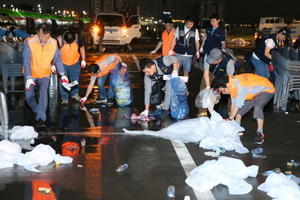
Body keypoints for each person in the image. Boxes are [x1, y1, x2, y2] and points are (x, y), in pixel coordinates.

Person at [23, 23, 68, 128]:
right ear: (38, 32)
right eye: (42, 36)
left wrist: (63, 75)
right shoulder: (29, 41)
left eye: (46, 36)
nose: (43, 39)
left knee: (43, 93)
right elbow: (26, 60)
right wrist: (29, 77)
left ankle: (41, 118)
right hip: (31, 73)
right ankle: (38, 110)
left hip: (44, 73)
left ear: (50, 34)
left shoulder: (53, 43)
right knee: (28, 97)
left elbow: (57, 60)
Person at [211, 74, 275, 144]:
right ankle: (237, 128)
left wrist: (230, 119)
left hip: (266, 89)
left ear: (226, 85)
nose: (223, 93)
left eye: (223, 91)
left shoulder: (239, 87)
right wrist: (232, 121)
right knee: (239, 110)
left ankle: (260, 133)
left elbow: (237, 105)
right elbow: (234, 104)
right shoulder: (231, 85)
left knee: (258, 107)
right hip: (253, 91)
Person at [197, 48, 235, 117]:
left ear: (219, 59)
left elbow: (230, 79)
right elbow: (206, 72)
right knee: (204, 87)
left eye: (213, 61)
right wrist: (208, 88)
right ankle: (202, 111)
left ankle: (231, 112)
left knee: (231, 90)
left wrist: (224, 89)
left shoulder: (229, 61)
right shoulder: (208, 56)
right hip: (211, 73)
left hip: (224, 75)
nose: (210, 62)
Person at [56, 31, 86, 106]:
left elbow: (82, 47)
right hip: (63, 63)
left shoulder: (78, 38)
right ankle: (64, 98)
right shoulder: (59, 40)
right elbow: (55, 53)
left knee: (75, 80)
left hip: (75, 63)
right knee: (64, 82)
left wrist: (83, 60)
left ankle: (75, 94)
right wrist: (54, 64)